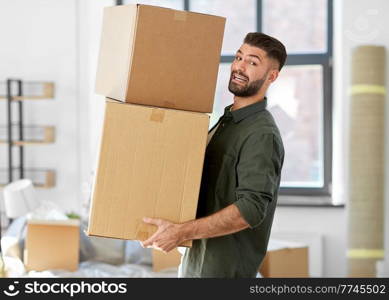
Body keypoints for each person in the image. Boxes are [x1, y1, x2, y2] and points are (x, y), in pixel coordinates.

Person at [141, 32, 287, 278]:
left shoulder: (261, 134)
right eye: (238, 57)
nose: (239, 66)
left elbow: (250, 209)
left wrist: (181, 232)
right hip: (195, 264)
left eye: (252, 62)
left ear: (272, 76)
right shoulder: (226, 122)